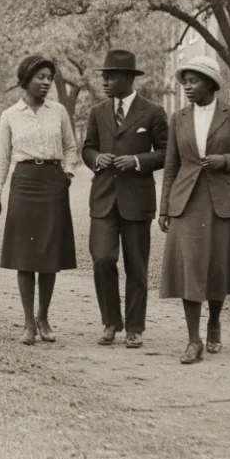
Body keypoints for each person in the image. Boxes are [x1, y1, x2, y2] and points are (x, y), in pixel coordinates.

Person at [159, 55, 230, 364]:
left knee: (217, 267)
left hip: (222, 201)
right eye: (185, 81)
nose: (187, 86)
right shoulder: (178, 118)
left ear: (210, 84)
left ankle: (214, 322)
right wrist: (164, 207)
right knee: (191, 268)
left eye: (193, 81)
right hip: (187, 201)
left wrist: (224, 161)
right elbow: (171, 165)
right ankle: (193, 340)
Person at [0, 55, 78, 345]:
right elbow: (2, 158)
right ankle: (28, 322)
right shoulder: (10, 115)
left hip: (53, 183)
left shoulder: (59, 111)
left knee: (50, 256)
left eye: (49, 77)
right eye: (40, 77)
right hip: (24, 184)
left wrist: (67, 173)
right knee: (25, 257)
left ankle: (44, 317)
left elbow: (70, 147)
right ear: (25, 79)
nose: (46, 82)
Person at [81, 49, 168, 348]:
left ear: (130, 79)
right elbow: (87, 148)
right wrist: (96, 158)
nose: (105, 81)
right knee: (102, 258)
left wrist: (137, 160)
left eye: (111, 76)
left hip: (137, 200)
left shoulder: (153, 112)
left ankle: (134, 327)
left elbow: (166, 153)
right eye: (104, 76)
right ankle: (110, 322)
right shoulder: (97, 112)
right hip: (103, 198)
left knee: (137, 266)